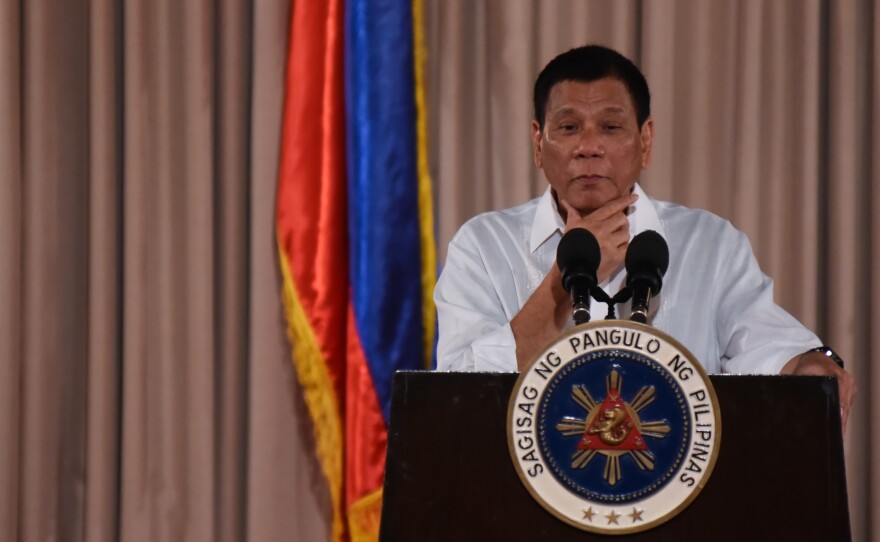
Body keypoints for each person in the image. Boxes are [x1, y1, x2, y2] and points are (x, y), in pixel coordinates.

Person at [434, 44, 855, 430]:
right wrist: (562, 284)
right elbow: (453, 392)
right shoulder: (484, 246)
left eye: (611, 127)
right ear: (538, 143)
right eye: (568, 127)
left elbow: (771, 349)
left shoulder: (708, 244)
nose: (589, 146)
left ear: (646, 140)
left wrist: (811, 366)